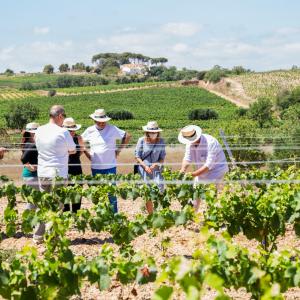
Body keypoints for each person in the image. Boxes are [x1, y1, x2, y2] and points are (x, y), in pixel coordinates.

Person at [34, 105, 76, 243]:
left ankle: (38, 236)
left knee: (43, 205)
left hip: (42, 173)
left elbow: (38, 146)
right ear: (59, 116)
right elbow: (73, 150)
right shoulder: (63, 132)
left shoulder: (39, 130)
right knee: (57, 206)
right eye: (63, 117)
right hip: (58, 174)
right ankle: (53, 238)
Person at [81, 108, 131, 213]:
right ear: (94, 120)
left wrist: (119, 150)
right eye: (100, 121)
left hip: (110, 167)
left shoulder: (112, 128)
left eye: (104, 121)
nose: (102, 123)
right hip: (96, 167)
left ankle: (114, 215)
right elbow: (80, 140)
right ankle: (102, 214)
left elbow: (127, 136)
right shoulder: (90, 130)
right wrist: (86, 152)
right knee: (98, 193)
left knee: (111, 193)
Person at [178, 125, 228, 211]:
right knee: (196, 191)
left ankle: (212, 214)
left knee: (210, 193)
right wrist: (182, 170)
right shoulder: (189, 143)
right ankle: (193, 214)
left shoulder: (210, 142)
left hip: (216, 170)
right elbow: (187, 158)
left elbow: (209, 165)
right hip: (202, 170)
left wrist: (193, 174)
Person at [135, 121, 166, 214]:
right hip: (143, 170)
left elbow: (162, 158)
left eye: (154, 132)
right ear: (147, 132)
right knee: (147, 192)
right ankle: (151, 214)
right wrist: (145, 166)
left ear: (158, 132)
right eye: (151, 132)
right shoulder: (141, 140)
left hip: (156, 170)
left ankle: (157, 211)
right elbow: (137, 156)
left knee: (159, 189)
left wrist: (156, 164)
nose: (153, 134)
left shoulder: (161, 142)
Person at [62, 117, 84, 213]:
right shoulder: (61, 139)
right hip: (64, 168)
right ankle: (66, 214)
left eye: (73, 130)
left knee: (77, 192)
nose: (73, 132)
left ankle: (75, 214)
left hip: (76, 167)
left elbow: (81, 151)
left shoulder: (78, 138)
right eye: (70, 130)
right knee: (65, 193)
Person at [21, 123, 40, 209]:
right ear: (33, 133)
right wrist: (32, 168)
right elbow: (23, 159)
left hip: (28, 175)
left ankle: (32, 221)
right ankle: (28, 221)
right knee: (33, 202)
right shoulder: (32, 144)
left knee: (33, 201)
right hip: (32, 176)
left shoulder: (27, 142)